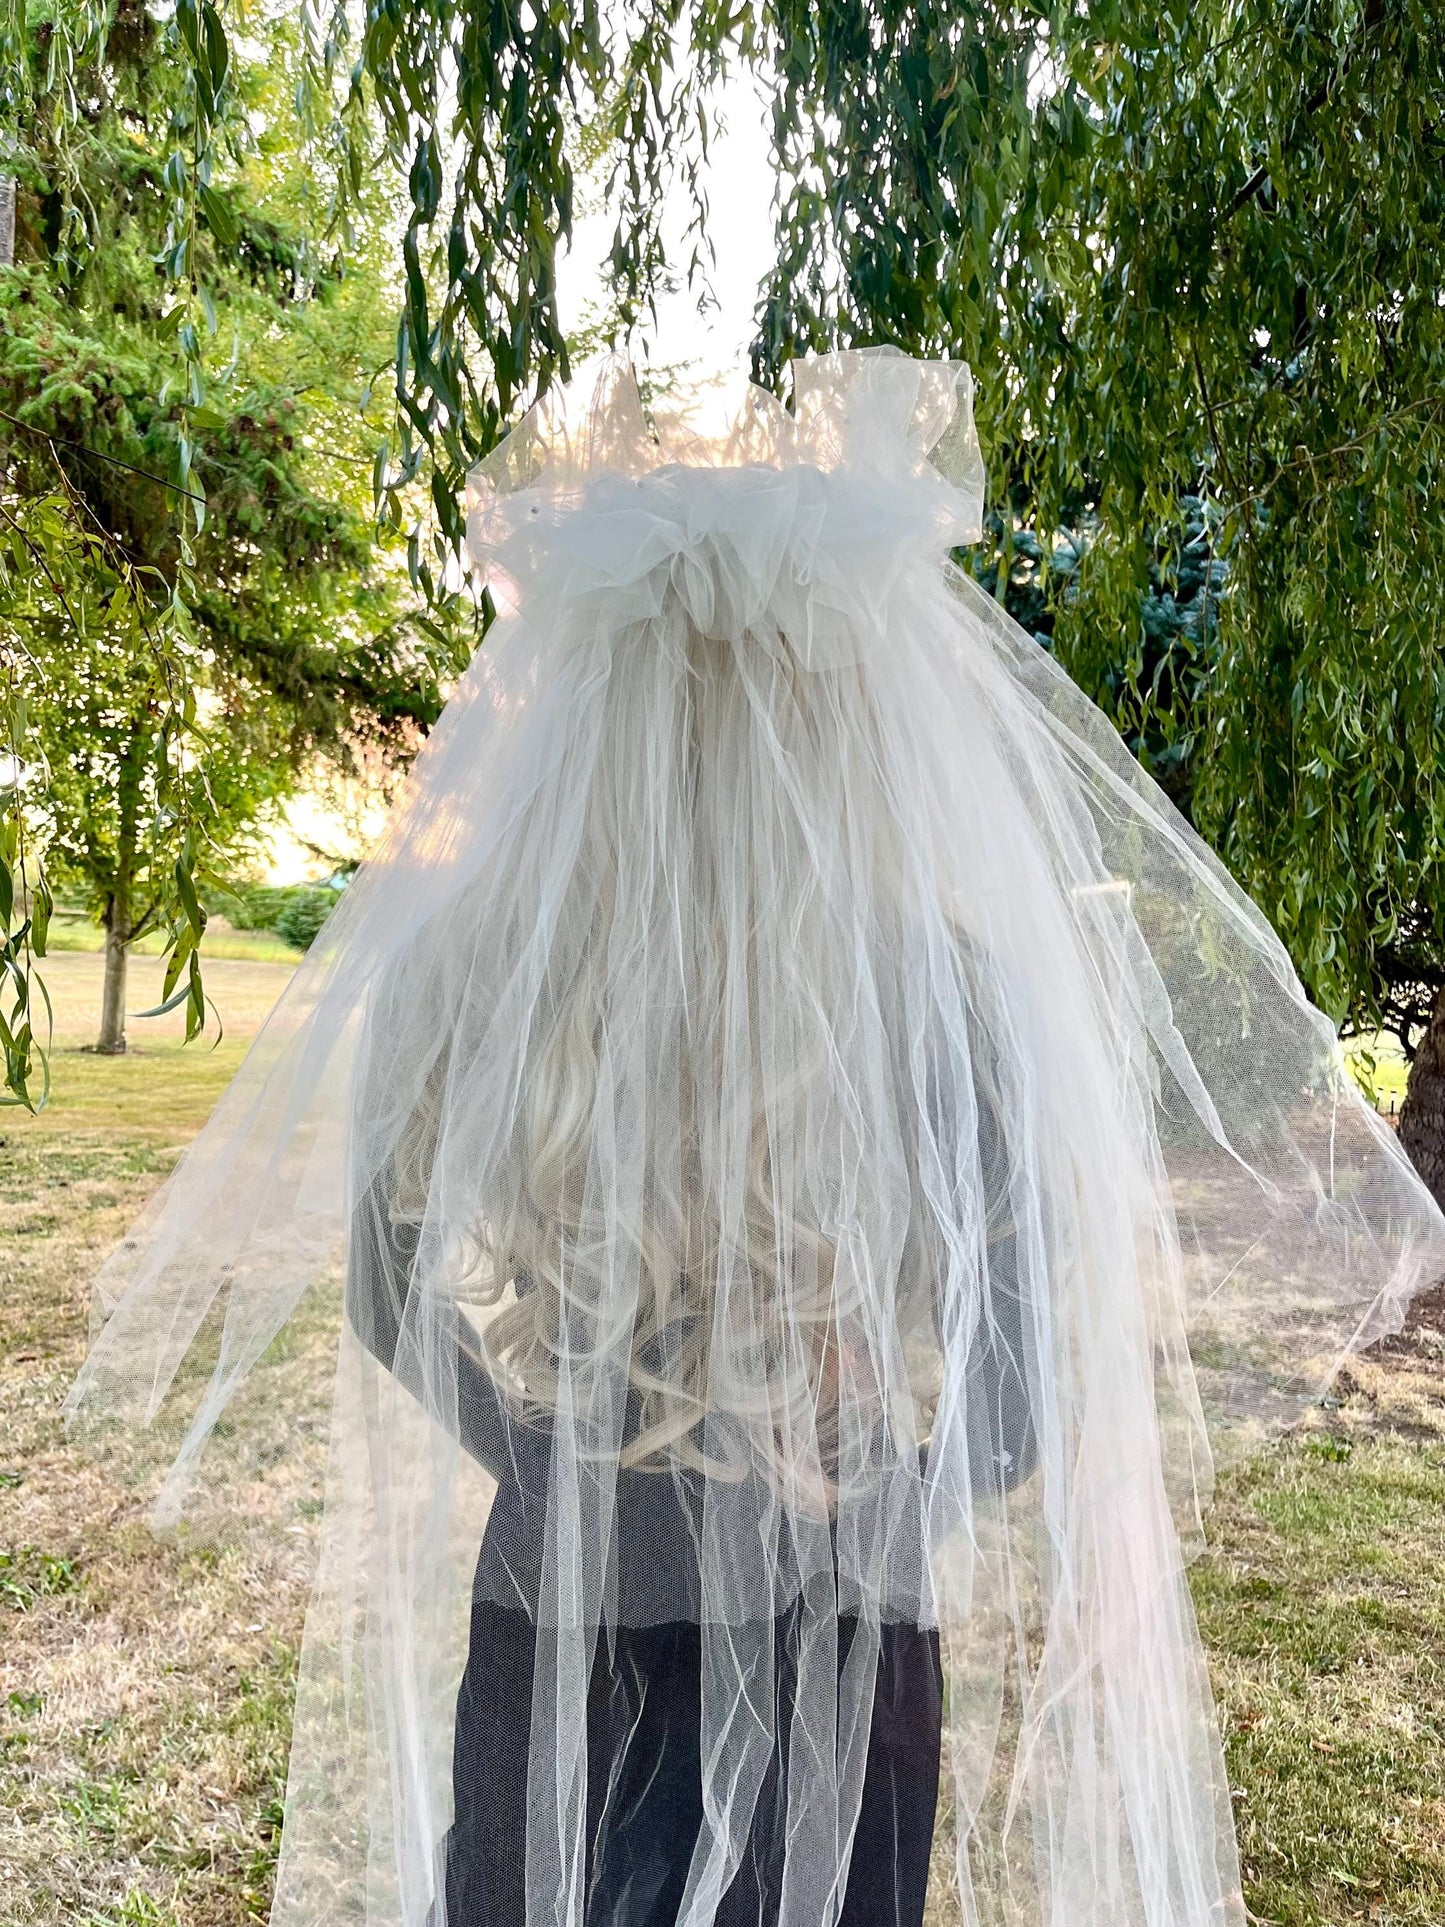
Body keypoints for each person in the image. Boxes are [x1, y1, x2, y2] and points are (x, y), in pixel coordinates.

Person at [66, 349, 1445, 1927]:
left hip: (556, 1598)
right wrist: (887, 1501)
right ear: (860, 715)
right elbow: (1035, 1355)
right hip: (850, 1613)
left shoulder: (460, 972)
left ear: (579, 703)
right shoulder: (954, 999)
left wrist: (553, 1469)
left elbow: (385, 1300)